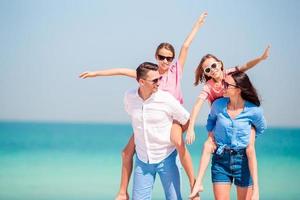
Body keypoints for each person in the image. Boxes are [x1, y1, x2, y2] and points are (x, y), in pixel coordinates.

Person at [79, 12, 208, 200]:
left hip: (173, 119)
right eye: (162, 57)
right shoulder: (147, 74)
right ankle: (123, 192)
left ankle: (194, 185)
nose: (165, 61)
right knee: (126, 152)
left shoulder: (176, 70)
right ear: (156, 57)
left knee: (178, 143)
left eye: (169, 58)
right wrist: (96, 73)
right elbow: (121, 71)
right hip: (150, 120)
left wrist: (198, 23)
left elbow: (186, 45)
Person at [187, 46, 270, 199]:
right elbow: (198, 105)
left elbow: (245, 66)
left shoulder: (230, 75)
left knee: (250, 149)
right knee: (207, 145)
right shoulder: (209, 86)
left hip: (240, 152)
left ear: (220, 64)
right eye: (207, 70)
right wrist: (191, 127)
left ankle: (256, 188)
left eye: (213, 65)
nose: (212, 70)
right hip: (219, 123)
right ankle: (198, 183)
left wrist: (260, 58)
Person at [124, 62, 190, 199]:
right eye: (155, 80)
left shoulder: (166, 99)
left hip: (167, 158)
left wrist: (175, 133)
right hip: (142, 162)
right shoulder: (129, 97)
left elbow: (186, 119)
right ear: (141, 81)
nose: (158, 83)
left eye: (159, 78)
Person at [203, 71, 266, 200]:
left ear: (238, 89)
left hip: (243, 161)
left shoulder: (254, 110)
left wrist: (252, 132)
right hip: (221, 160)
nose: (223, 86)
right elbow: (210, 122)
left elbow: (261, 127)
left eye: (227, 84)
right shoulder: (218, 105)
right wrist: (212, 136)